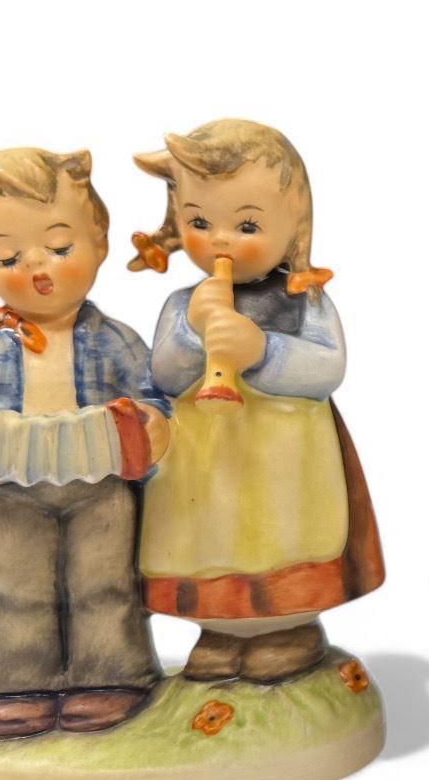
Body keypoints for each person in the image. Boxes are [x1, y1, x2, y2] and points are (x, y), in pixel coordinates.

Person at [0, 148, 170, 737]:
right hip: (8, 490)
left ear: (99, 242)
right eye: (7, 257)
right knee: (15, 590)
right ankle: (18, 682)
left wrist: (154, 424)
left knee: (105, 585)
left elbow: (155, 396)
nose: (37, 266)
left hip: (101, 488)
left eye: (60, 246)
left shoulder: (114, 340)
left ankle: (109, 675)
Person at [128, 119, 383, 683]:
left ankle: (288, 630)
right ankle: (219, 632)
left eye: (246, 225)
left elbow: (329, 367)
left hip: (284, 459)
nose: (219, 240)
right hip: (205, 460)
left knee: (284, 540)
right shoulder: (184, 303)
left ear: (294, 228)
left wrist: (262, 350)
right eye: (199, 222)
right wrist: (195, 335)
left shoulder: (303, 298)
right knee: (207, 541)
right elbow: (162, 374)